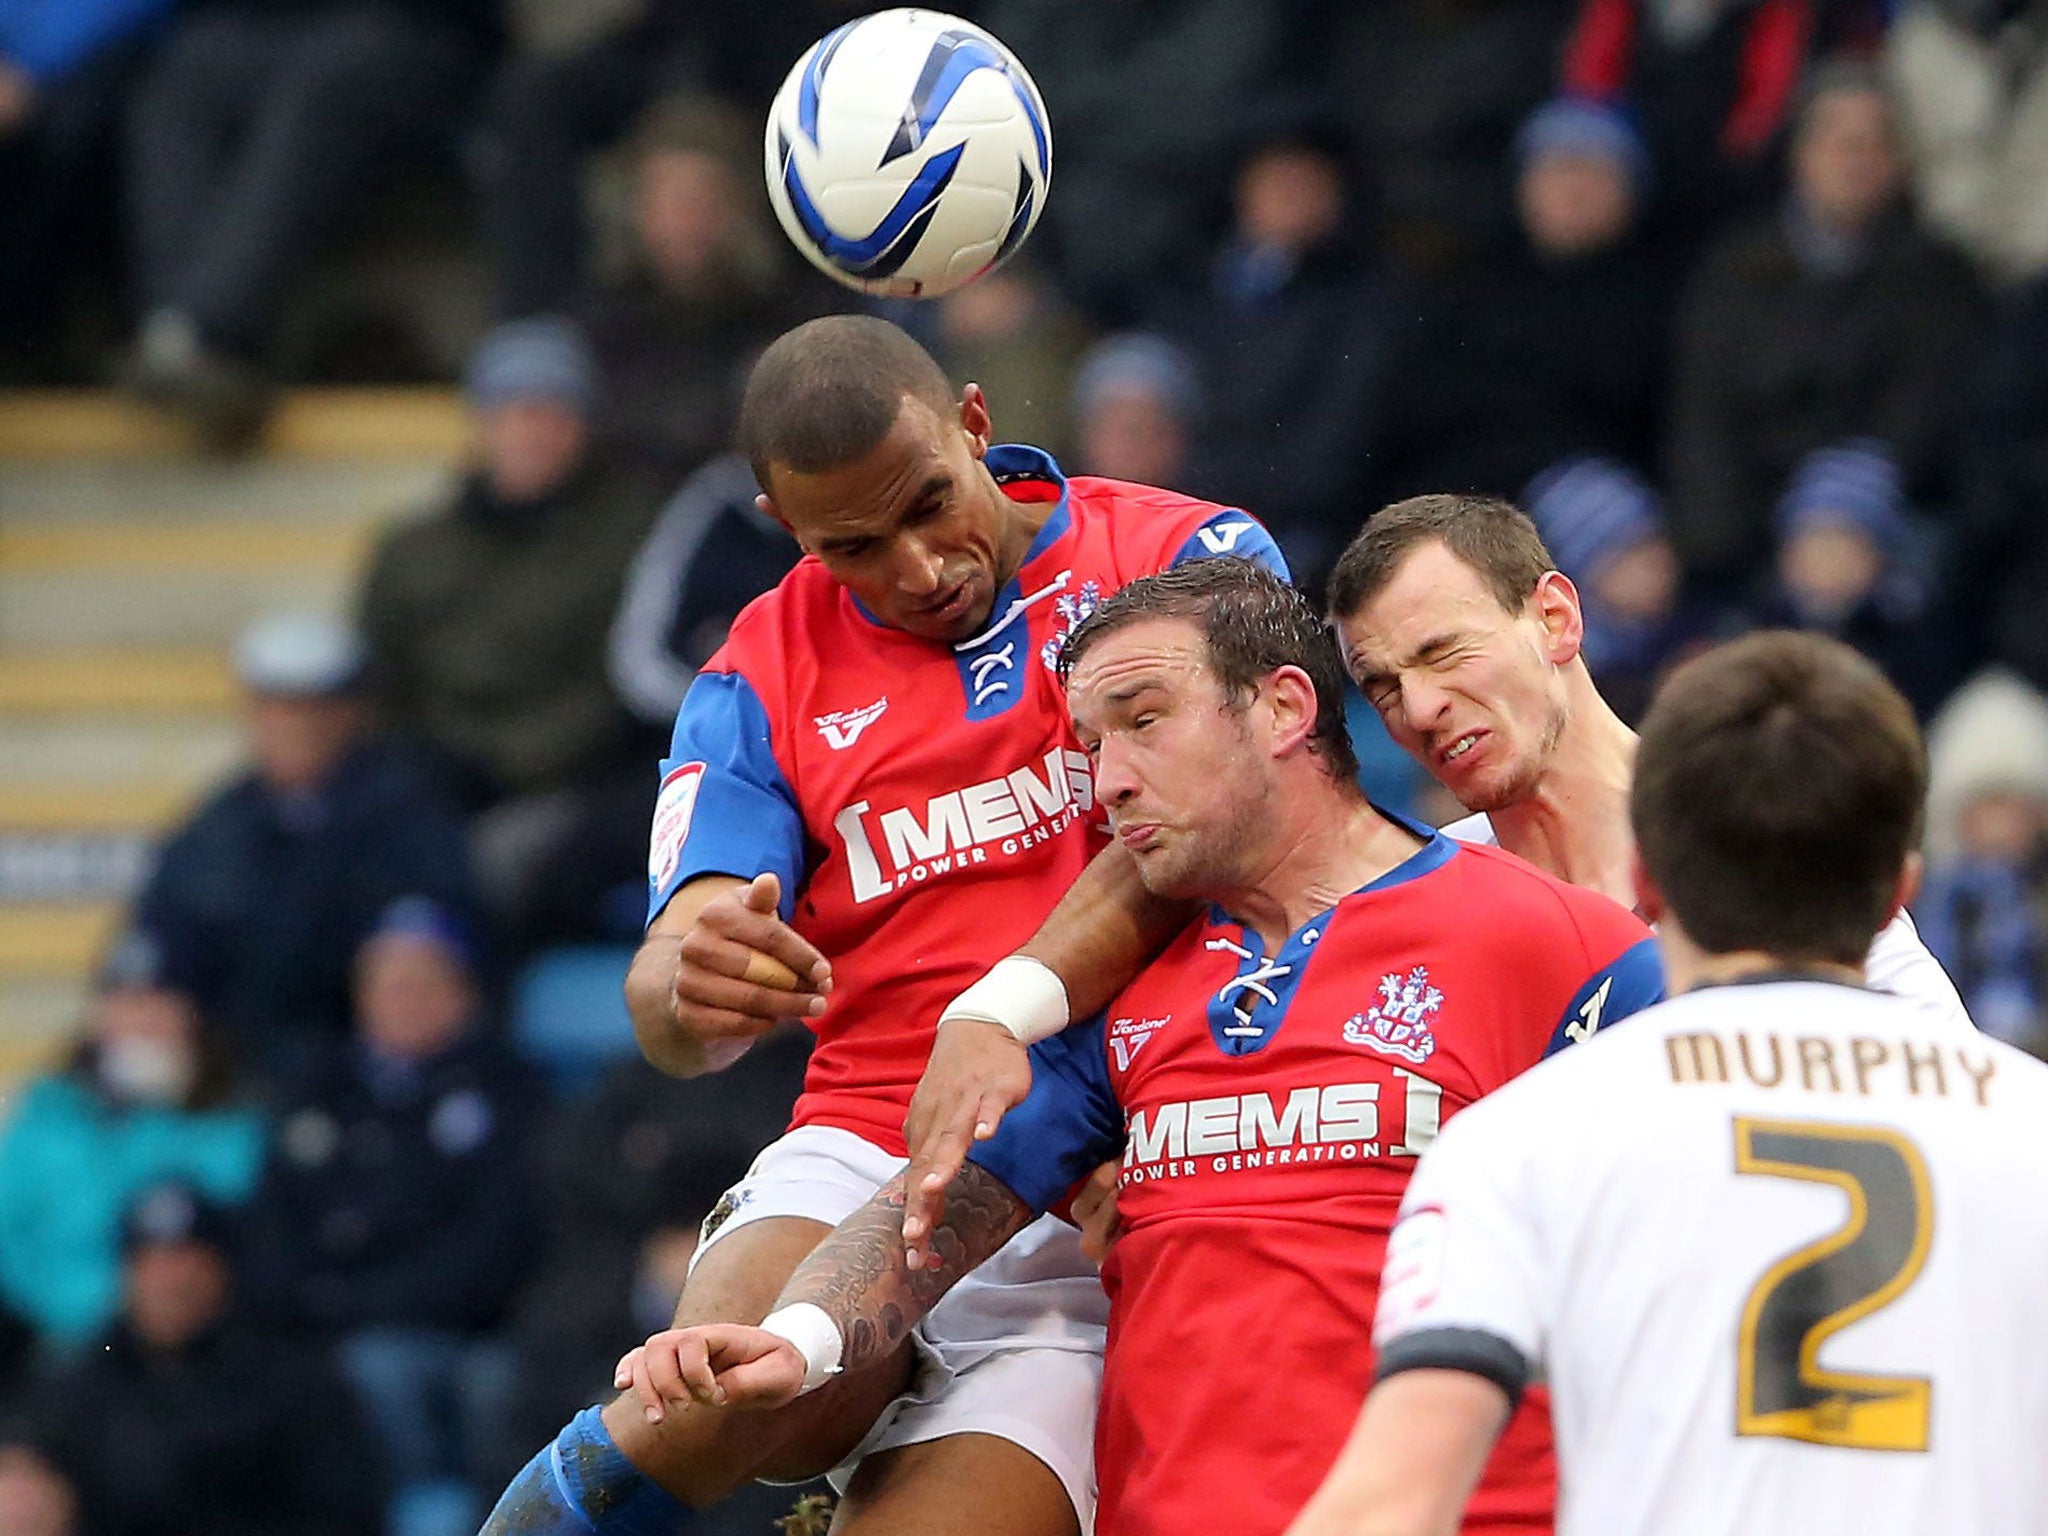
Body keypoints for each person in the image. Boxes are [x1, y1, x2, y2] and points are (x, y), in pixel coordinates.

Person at [618, 562, 1662, 1536]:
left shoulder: (1550, 942)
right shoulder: (1116, 1004)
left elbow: (1692, 1241)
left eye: (1143, 722)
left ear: (1286, 710)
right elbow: (928, 1218)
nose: (1107, 781)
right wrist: (796, 1342)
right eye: (1090, 746)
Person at [478, 312, 1286, 1536]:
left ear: (975, 424)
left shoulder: (1181, 557)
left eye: (928, 504)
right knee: (696, 1401)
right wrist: (687, 983)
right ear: (783, 530)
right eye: (853, 545)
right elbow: (675, 985)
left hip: (1116, 1170)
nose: (917, 568)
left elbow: (1204, 842)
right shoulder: (756, 674)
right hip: (871, 1137)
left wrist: (1000, 1004)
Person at [1285, 630, 2048, 1536]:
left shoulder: (1524, 1137)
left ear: (1644, 873)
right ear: (1898, 892)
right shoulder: (2029, 1124)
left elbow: (1394, 1501)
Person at [356, 317, 665, 952]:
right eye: (516, 411)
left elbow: (632, 685)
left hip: (585, 784)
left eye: (554, 411)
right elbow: (383, 687)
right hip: (441, 782)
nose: (535, 431)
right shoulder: (412, 551)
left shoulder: (635, 534)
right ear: (482, 424)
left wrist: (523, 763)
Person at [238, 898, 542, 1536]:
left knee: (461, 1381)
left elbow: (505, 1237)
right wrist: (329, 1302)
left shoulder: (507, 1091)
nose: (404, 999)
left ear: (464, 994)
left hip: (473, 1328)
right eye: (387, 982)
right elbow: (273, 1228)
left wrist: (368, 1301)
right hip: (333, 1329)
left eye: (424, 981)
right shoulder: (316, 1093)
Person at [134, 610, 478, 1078]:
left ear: (353, 711)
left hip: (363, 1073)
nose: (297, 725)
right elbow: (157, 943)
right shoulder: (218, 824)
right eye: (278, 706)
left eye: (315, 706)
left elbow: (440, 947)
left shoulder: (409, 810)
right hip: (230, 1070)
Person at [31, 1181, 387, 1536]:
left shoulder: (291, 1377)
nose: (170, 1282)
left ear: (223, 1270)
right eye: (152, 1262)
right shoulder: (84, 1378)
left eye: (188, 1260)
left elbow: (346, 1511)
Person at [0, 929, 263, 1352]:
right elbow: (8, 1239)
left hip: (195, 1345)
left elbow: (240, 1245)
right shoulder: (46, 1115)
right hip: (47, 1342)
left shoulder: (230, 1124)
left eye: (158, 1004)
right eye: (124, 1003)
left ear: (192, 1015)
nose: (140, 1023)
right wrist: (90, 1308)